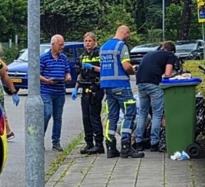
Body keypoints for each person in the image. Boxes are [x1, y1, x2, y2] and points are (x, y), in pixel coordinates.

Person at [99, 25, 144, 159]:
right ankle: (126, 146)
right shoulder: (121, 46)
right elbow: (125, 65)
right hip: (121, 86)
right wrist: (133, 70)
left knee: (111, 116)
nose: (128, 37)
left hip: (107, 87)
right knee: (129, 114)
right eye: (128, 35)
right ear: (124, 33)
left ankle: (110, 147)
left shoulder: (103, 47)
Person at [133, 41, 179, 152]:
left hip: (140, 83)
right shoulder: (170, 55)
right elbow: (167, 74)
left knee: (142, 113)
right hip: (153, 84)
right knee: (157, 113)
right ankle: (154, 143)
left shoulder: (150, 54)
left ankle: (138, 142)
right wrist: (175, 76)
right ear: (172, 50)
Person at [39, 35, 72, 151]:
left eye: (63, 44)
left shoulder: (63, 58)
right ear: (53, 44)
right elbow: (37, 74)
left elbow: (67, 71)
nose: (62, 47)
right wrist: (47, 80)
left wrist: (68, 77)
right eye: (60, 45)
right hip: (46, 91)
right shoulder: (43, 58)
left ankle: (56, 142)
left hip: (60, 90)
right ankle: (39, 140)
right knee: (47, 114)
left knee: (58, 117)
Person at [75, 32, 104, 155]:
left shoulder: (99, 54)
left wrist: (92, 67)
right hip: (85, 88)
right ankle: (89, 143)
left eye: (90, 41)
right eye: (86, 41)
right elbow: (80, 73)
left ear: (95, 42)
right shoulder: (83, 56)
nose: (87, 43)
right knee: (86, 118)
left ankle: (99, 144)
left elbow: (105, 69)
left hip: (96, 88)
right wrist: (76, 87)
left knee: (94, 118)